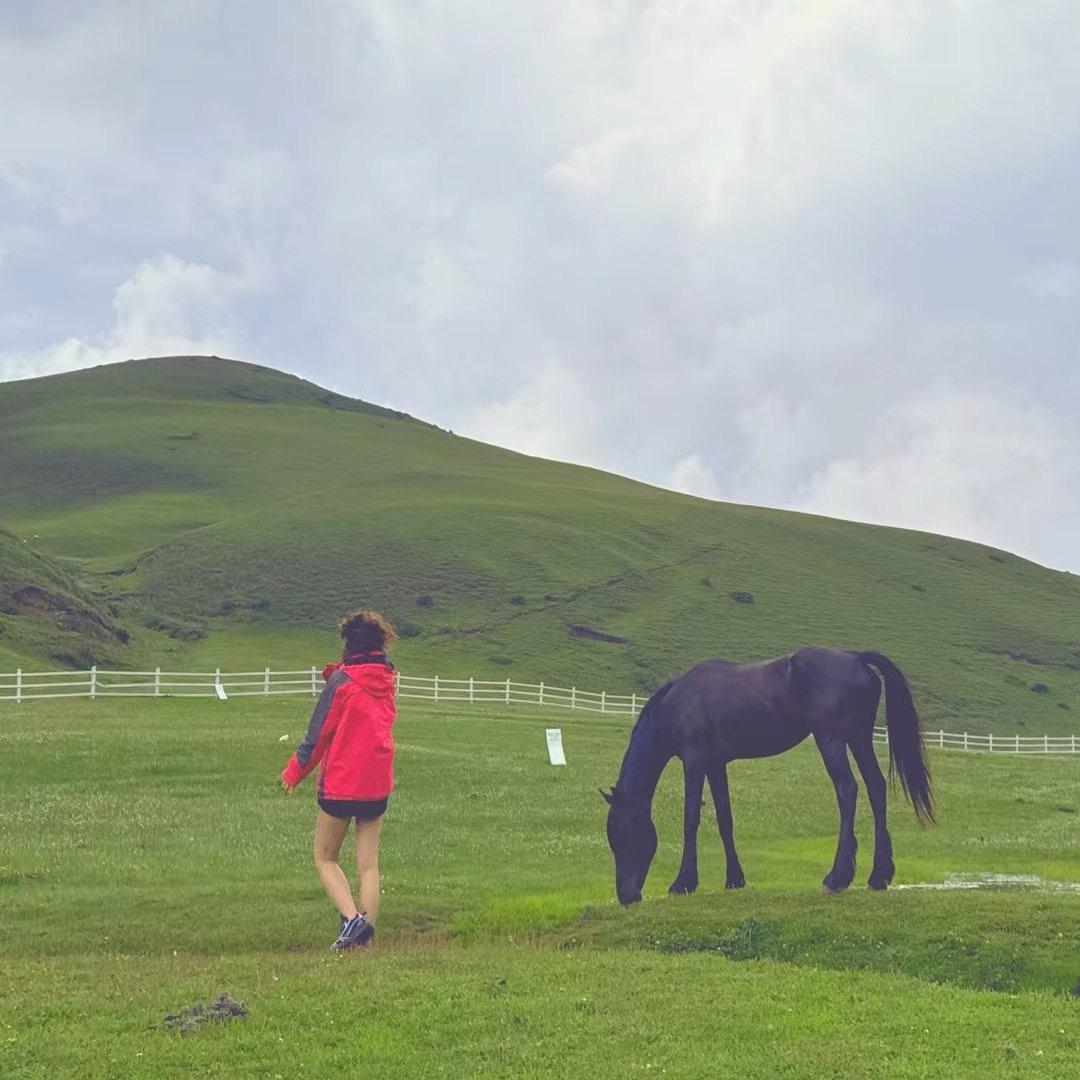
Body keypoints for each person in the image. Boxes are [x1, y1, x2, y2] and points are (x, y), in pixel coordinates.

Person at [281, 610, 398, 951]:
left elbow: (317, 736)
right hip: (377, 782)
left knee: (324, 857)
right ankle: (365, 938)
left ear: (348, 643)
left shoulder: (341, 682)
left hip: (343, 782)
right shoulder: (387, 679)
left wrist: (293, 772)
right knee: (369, 866)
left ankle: (351, 920)